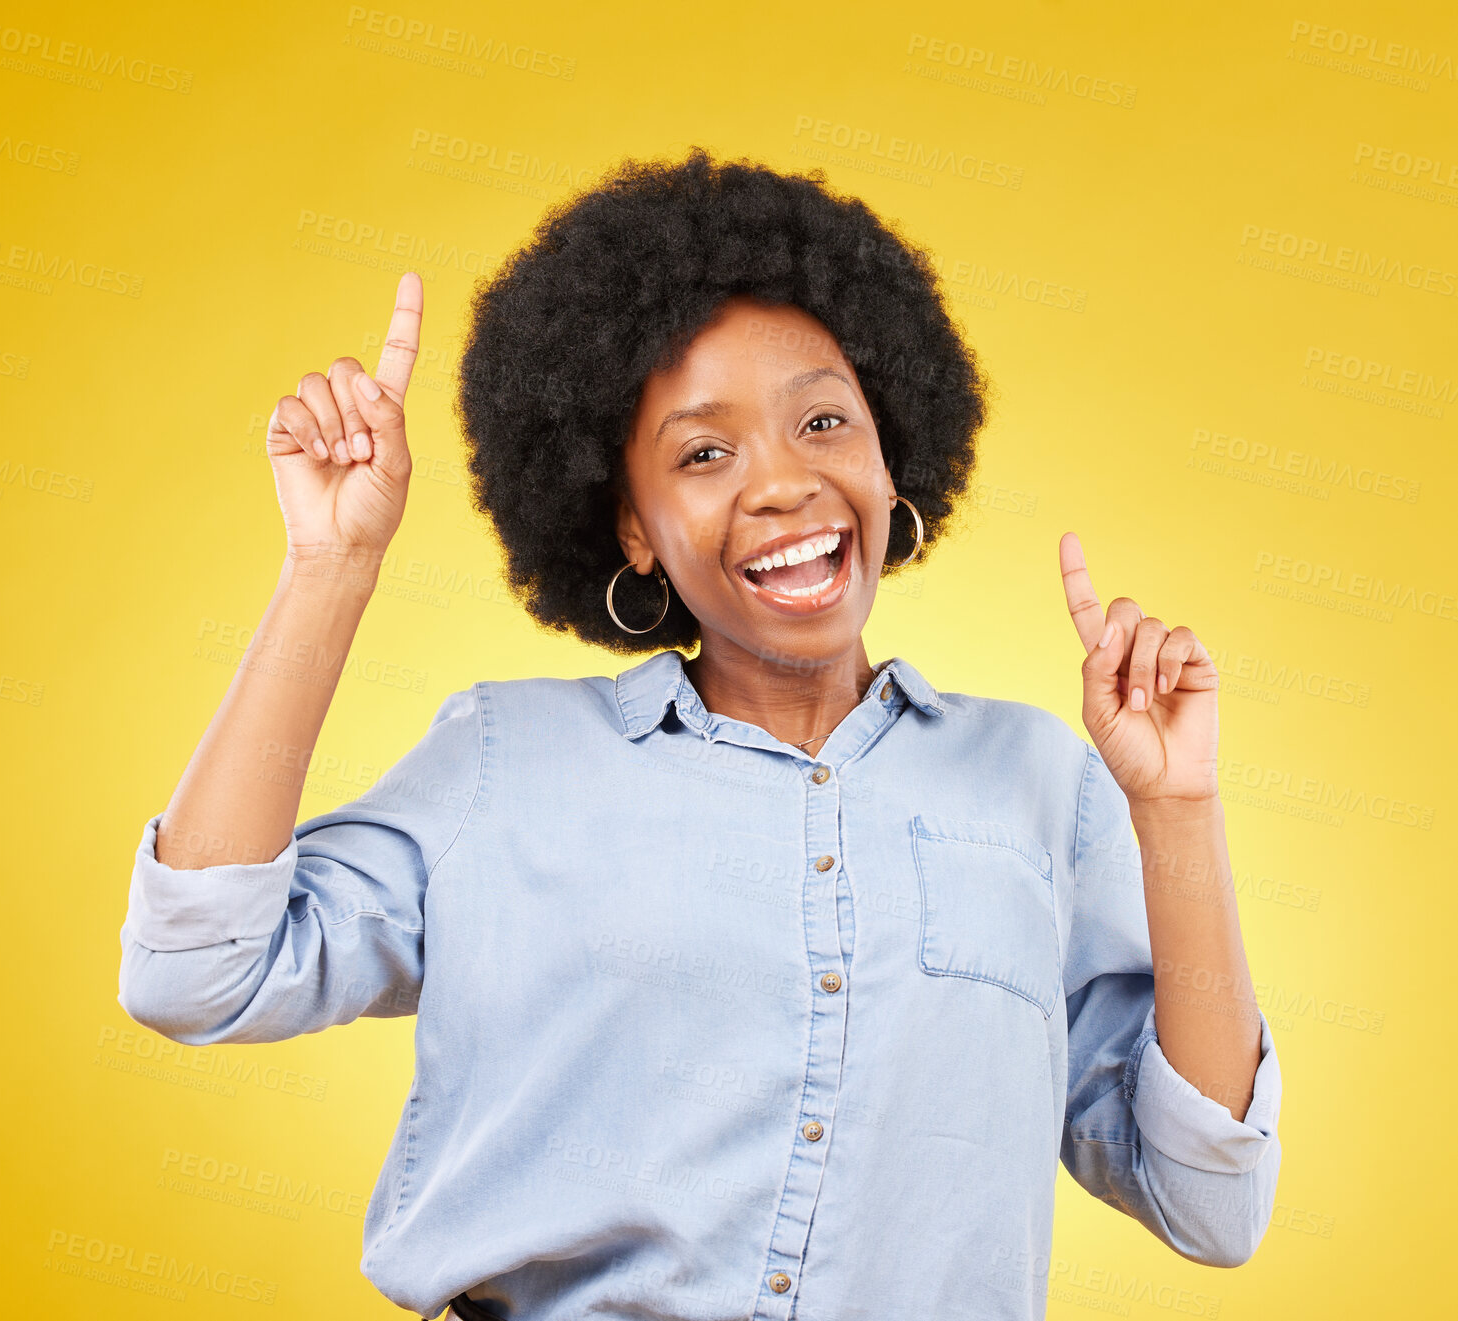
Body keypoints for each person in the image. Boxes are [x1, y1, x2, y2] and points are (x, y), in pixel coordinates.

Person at [118, 148, 1281, 1321]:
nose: (782, 483)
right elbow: (196, 970)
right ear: (631, 525)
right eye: (703, 452)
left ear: (891, 458)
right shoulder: (503, 762)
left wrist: (1177, 808)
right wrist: (332, 566)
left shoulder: (1035, 782)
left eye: (823, 420)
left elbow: (1209, 1203)